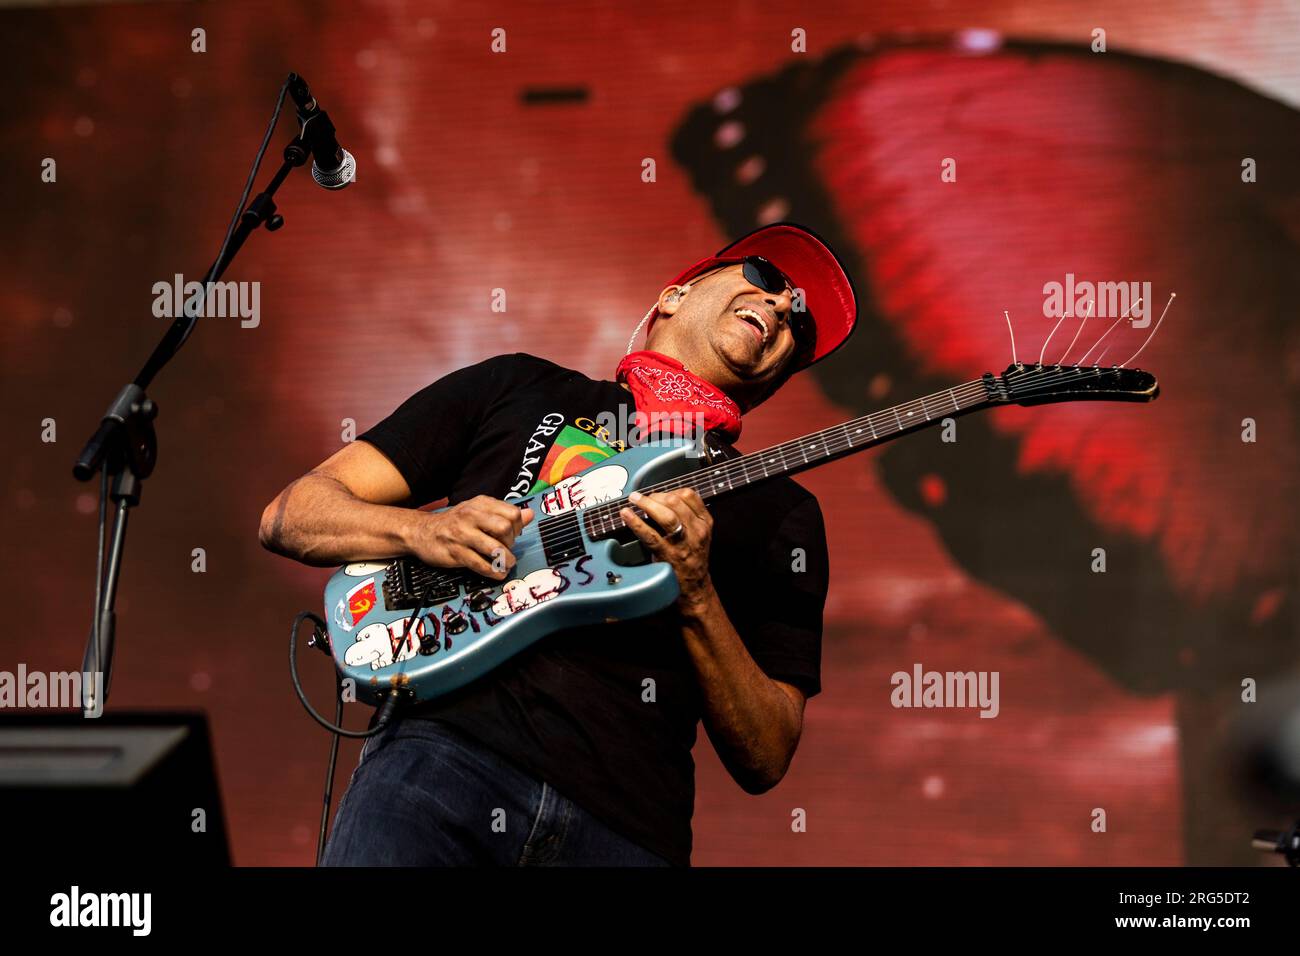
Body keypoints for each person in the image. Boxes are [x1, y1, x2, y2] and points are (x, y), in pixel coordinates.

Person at [259, 222, 858, 866]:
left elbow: (766, 752)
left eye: (798, 326)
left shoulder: (782, 511)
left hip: (628, 829)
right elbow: (292, 514)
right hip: (440, 766)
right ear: (676, 295)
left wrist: (697, 594)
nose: (780, 307)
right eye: (767, 278)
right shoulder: (518, 387)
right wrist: (421, 529)